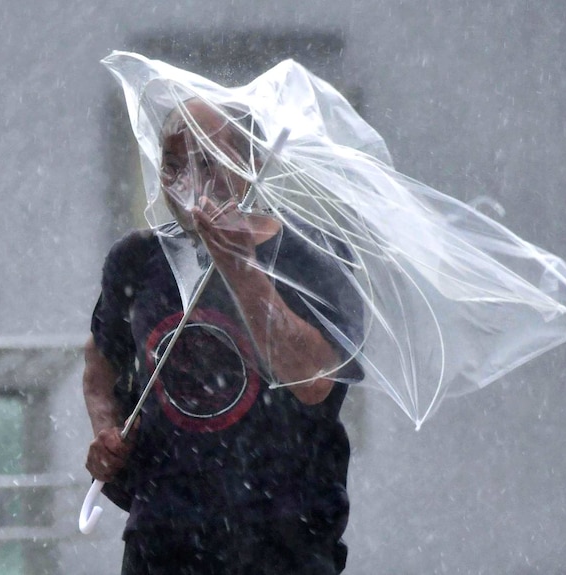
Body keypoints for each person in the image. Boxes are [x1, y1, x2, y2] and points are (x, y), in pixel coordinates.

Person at [83, 98, 363, 575]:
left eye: (205, 163)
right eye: (172, 166)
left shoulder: (312, 256)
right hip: (163, 541)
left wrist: (240, 267)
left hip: (283, 542)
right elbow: (99, 363)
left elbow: (313, 382)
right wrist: (107, 430)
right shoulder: (137, 260)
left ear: (249, 164)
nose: (186, 183)